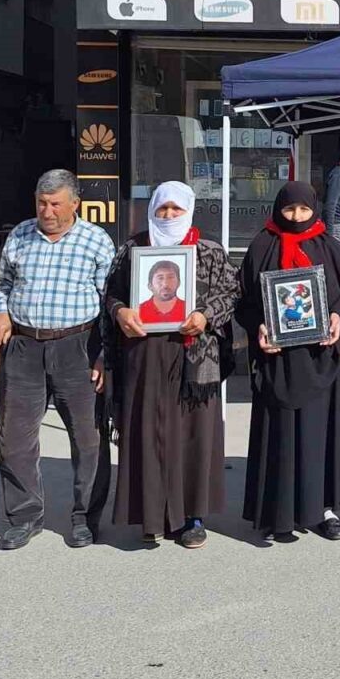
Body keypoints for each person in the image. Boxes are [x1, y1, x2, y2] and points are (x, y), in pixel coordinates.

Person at [102, 182, 237, 548]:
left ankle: (193, 518)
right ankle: (152, 516)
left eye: (176, 209)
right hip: (144, 355)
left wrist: (205, 316)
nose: (169, 215)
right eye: (162, 209)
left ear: (189, 210)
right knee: (148, 434)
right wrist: (120, 311)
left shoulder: (209, 250)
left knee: (194, 437)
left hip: (195, 359)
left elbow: (231, 293)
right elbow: (111, 293)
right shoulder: (133, 249)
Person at [0, 169, 116, 551]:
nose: (47, 211)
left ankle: (85, 518)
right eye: (41, 203)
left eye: (55, 204)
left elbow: (109, 302)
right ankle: (25, 517)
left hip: (79, 347)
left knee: (88, 439)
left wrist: (105, 355)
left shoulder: (95, 240)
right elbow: (2, 284)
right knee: (15, 439)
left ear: (75, 203)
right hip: (23, 346)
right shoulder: (20, 235)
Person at [237, 181, 340, 542]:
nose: (296, 216)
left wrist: (337, 316)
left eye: (304, 209)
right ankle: (278, 513)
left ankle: (323, 510)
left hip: (320, 357)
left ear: (314, 209)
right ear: (278, 209)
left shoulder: (328, 245)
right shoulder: (262, 245)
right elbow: (243, 300)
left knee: (320, 436)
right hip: (278, 360)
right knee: (281, 436)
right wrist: (258, 326)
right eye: (289, 209)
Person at [138, 260, 187, 325]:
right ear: (150, 285)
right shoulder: (138, 311)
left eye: (170, 277)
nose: (165, 284)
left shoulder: (189, 309)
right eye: (160, 278)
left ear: (179, 283)